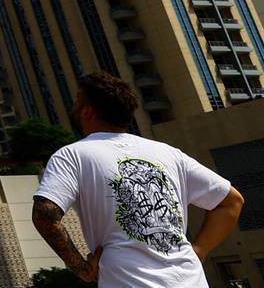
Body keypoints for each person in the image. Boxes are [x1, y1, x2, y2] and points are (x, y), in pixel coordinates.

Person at [32, 71, 245, 285]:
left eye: (77, 101)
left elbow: (45, 215)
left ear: (87, 112)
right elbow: (231, 202)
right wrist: (199, 250)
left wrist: (82, 268)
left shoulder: (71, 155)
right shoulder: (168, 153)